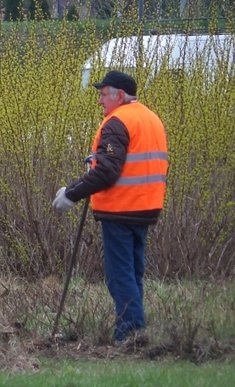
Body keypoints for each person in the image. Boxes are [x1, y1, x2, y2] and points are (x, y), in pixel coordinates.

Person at [52, 70, 168, 343]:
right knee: (134, 272)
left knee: (120, 276)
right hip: (147, 207)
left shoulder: (117, 122)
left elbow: (107, 171)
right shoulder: (151, 118)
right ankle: (136, 330)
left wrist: (71, 194)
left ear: (119, 95)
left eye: (103, 94)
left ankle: (129, 334)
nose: (100, 101)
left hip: (121, 207)